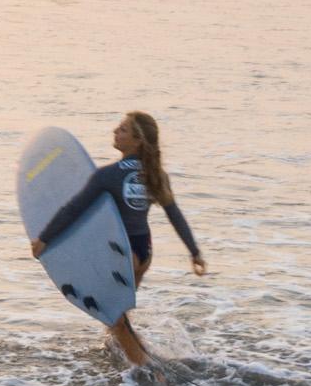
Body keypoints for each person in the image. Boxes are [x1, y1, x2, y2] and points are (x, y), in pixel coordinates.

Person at [31, 111, 204, 368]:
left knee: (115, 319)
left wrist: (44, 238)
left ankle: (147, 373)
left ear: (137, 140)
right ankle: (135, 355)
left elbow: (74, 208)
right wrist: (194, 252)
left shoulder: (109, 174)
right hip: (143, 253)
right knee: (119, 316)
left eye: (123, 130)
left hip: (120, 254)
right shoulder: (155, 175)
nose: (115, 131)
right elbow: (174, 215)